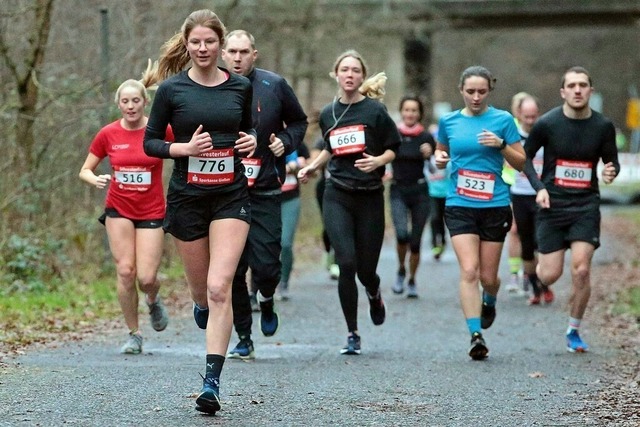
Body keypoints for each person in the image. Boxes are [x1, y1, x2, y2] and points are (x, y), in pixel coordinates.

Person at [142, 9, 257, 415]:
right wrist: (184, 150)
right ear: (187, 44)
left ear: (220, 45)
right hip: (188, 197)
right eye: (196, 42)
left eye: (210, 42)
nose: (203, 48)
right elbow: (151, 143)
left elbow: (248, 130)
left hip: (230, 194)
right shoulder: (171, 91)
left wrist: (250, 142)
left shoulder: (240, 86)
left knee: (220, 285)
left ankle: (211, 382)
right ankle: (203, 308)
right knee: (201, 293)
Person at [298, 50, 400, 355]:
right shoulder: (329, 112)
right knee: (346, 263)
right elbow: (330, 147)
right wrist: (313, 166)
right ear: (336, 74)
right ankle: (352, 333)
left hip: (369, 195)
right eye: (345, 69)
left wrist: (378, 161)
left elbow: (393, 147)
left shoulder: (376, 112)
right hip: (337, 194)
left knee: (365, 270)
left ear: (362, 76)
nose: (350, 75)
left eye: (356, 70)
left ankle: (373, 290)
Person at [220, 30, 307, 360]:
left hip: (268, 188)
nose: (238, 57)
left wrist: (285, 142)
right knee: (235, 268)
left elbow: (298, 122)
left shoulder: (274, 85)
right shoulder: (212, 89)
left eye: (244, 51)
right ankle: (244, 335)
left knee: (268, 265)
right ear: (223, 54)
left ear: (254, 54)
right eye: (232, 51)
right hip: (227, 192)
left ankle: (267, 297)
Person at [523, 66, 619, 353]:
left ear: (590, 90)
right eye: (572, 86)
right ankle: (535, 271)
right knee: (549, 275)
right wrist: (539, 187)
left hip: (585, 206)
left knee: (581, 270)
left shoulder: (603, 126)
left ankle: (573, 330)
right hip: (552, 205)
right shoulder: (547, 124)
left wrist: (611, 171)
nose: (578, 90)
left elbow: (611, 161)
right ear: (563, 92)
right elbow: (525, 159)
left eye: (583, 85)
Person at [434, 65, 525, 360]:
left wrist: (500, 145)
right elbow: (440, 151)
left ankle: (491, 298)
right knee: (469, 270)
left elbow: (522, 162)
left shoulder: (503, 120)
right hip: (459, 203)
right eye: (470, 91)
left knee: (489, 277)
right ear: (461, 90)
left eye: (481, 92)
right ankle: (476, 335)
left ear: (490, 90)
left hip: (494, 205)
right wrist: (439, 159)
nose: (475, 97)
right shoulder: (448, 122)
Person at [79, 79, 172, 355]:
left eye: (135, 101)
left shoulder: (160, 129)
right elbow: (85, 169)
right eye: (125, 101)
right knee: (125, 270)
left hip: (152, 210)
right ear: (118, 104)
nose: (130, 106)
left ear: (145, 103)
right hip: (118, 208)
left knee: (145, 277)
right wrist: (94, 178)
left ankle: (153, 299)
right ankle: (134, 334)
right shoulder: (108, 134)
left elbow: (184, 150)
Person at [389, 96, 435, 298]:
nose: (410, 114)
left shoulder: (426, 137)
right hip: (398, 189)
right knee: (401, 235)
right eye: (407, 110)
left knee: (415, 242)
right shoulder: (393, 135)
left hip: (420, 191)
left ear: (420, 114)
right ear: (401, 112)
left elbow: (436, 168)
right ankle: (401, 269)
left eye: (414, 110)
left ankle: (412, 279)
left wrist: (430, 154)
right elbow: (383, 157)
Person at [509, 95, 552, 303]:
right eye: (526, 116)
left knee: (542, 242)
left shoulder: (546, 134)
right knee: (526, 244)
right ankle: (535, 287)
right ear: (519, 114)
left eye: (534, 116)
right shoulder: (512, 136)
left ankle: (546, 283)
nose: (530, 120)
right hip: (519, 194)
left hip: (542, 194)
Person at [504, 92, 530, 293]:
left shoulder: (534, 129)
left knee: (528, 232)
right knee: (513, 229)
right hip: (508, 183)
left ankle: (529, 271)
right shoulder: (508, 126)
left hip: (528, 185)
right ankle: (514, 273)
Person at [278, 144, 310, 301]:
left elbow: (312, 169)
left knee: (285, 243)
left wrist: (303, 167)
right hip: (264, 198)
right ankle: (260, 286)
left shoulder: (296, 142)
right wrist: (291, 165)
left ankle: (283, 281)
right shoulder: (258, 136)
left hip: (290, 198)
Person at [311, 136, 340, 280]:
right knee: (329, 224)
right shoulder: (322, 141)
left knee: (343, 226)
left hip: (349, 186)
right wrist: (312, 167)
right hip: (326, 187)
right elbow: (314, 161)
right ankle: (329, 253)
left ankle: (339, 261)